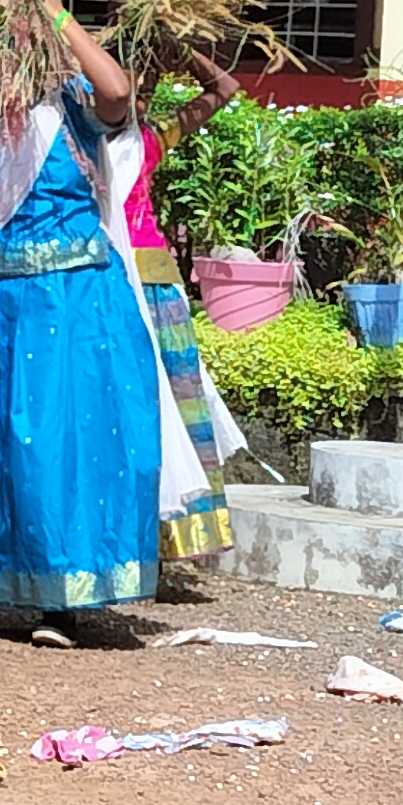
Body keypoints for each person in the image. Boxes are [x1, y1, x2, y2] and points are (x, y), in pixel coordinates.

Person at [0, 0, 194, 647]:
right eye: (9, 36)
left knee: (57, 445)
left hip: (72, 303)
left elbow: (117, 89)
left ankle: (59, 597)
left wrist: (55, 13)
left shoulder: (79, 108)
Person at [120, 42, 249, 565]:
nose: (139, 99)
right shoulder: (75, 142)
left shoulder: (150, 140)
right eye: (132, 87)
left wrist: (181, 50)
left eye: (147, 90)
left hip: (154, 282)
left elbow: (224, 88)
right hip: (107, 281)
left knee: (175, 402)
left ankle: (176, 536)